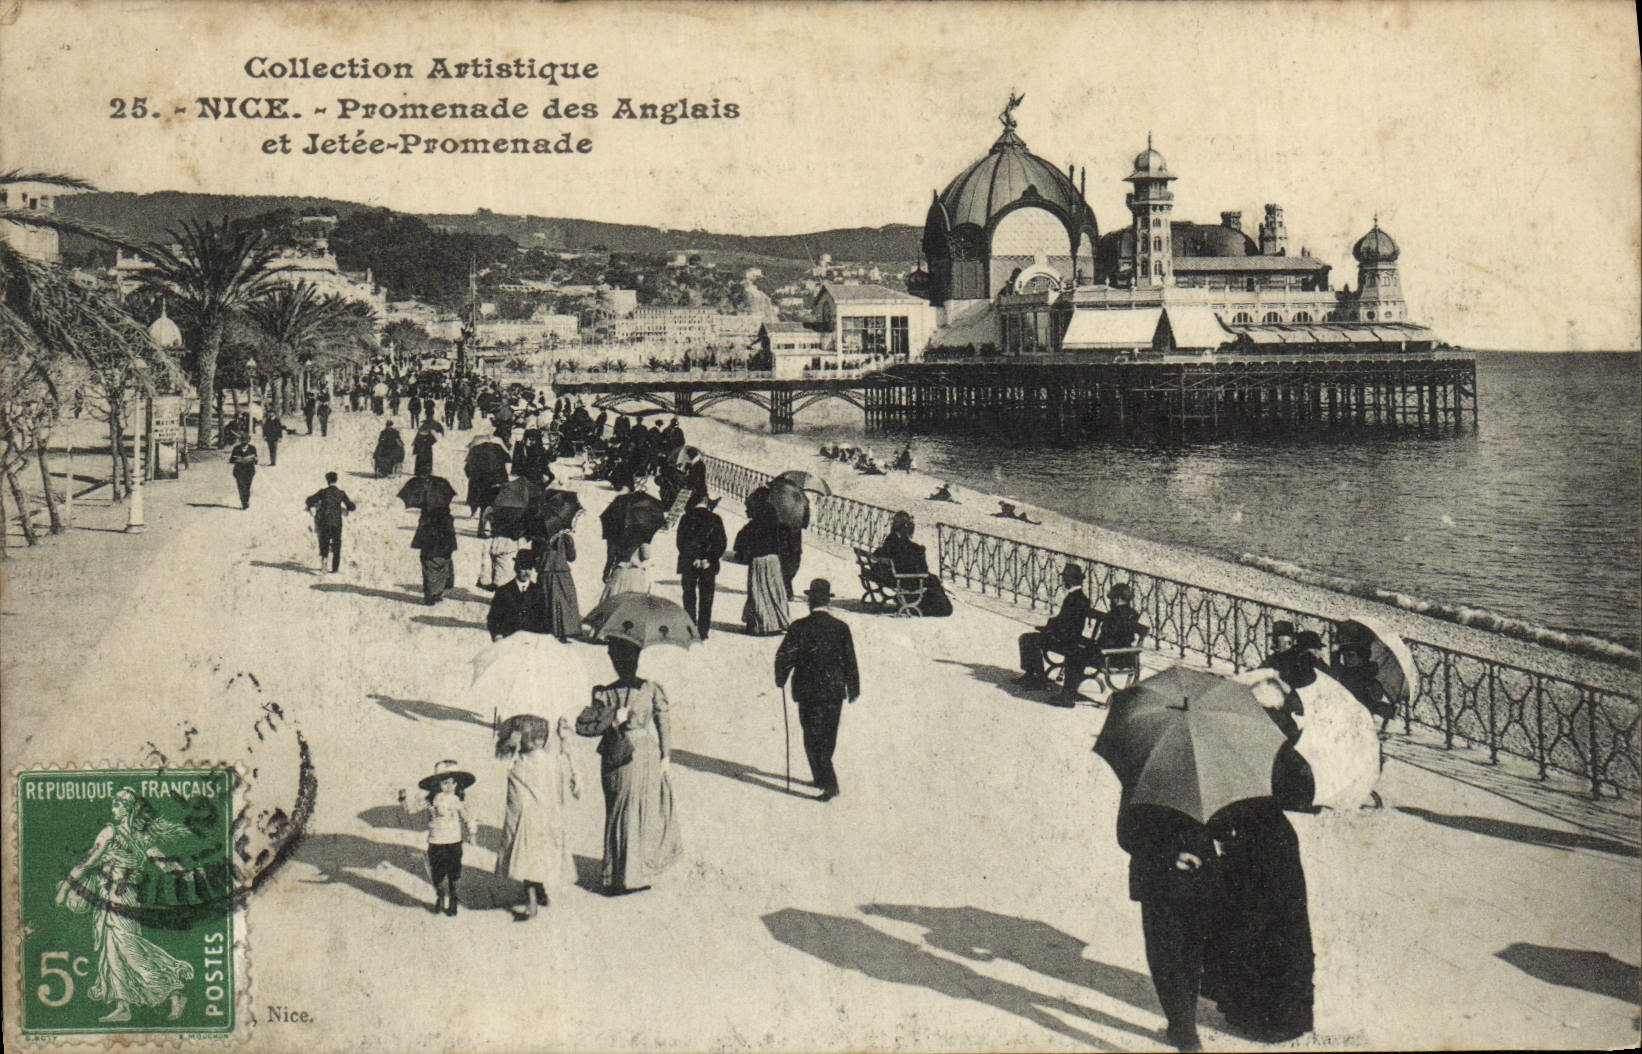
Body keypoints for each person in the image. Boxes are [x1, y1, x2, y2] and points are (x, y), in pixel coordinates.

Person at [54, 789, 203, 1022]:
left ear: (127, 809)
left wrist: (189, 876)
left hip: (124, 900)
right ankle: (123, 1007)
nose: (112, 810)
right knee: (111, 951)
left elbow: (164, 864)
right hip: (107, 898)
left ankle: (174, 990)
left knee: (129, 950)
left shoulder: (123, 835)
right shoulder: (116, 834)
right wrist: (65, 889)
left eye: (116, 805)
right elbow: (87, 863)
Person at [1203, 798, 1315, 1043]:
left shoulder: (1231, 788)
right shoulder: (1258, 780)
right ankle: (1283, 1017)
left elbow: (1220, 824)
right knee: (1281, 932)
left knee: (1251, 933)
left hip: (1253, 856)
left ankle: (1258, 1016)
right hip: (1276, 845)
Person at [575, 638, 682, 894]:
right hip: (625, 757)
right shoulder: (608, 693)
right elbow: (584, 726)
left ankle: (628, 874)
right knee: (623, 812)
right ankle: (620, 876)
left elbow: (664, 723)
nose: (626, 664)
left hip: (639, 756)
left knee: (636, 813)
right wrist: (614, 718)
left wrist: (665, 757)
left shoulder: (643, 689)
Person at [1116, 796, 1219, 1052]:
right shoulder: (1204, 773)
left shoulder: (1147, 777)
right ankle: (1183, 1028)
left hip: (1162, 881)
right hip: (1189, 878)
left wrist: (1170, 854)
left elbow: (1126, 834)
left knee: (1171, 956)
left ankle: (1184, 1031)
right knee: (1185, 955)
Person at [775, 579, 861, 801]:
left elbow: (784, 656)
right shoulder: (841, 628)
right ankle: (821, 777)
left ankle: (829, 783)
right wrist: (853, 688)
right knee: (828, 736)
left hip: (808, 691)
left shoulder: (799, 627)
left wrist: (781, 678)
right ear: (828, 602)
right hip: (834, 691)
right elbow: (850, 660)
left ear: (810, 602)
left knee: (812, 736)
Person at [494, 713, 578, 919]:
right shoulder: (551, 761)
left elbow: (515, 800)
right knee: (541, 857)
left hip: (528, 821)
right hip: (548, 819)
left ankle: (532, 901)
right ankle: (541, 893)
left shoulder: (520, 765)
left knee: (527, 858)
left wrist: (510, 746)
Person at [398, 761, 475, 917]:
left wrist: (472, 832)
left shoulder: (457, 800)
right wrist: (403, 799)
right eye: (445, 783)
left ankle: (453, 900)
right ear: (437, 784)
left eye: (453, 783)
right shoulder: (431, 801)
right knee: (437, 873)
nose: (449, 786)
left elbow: (469, 817)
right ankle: (440, 896)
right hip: (436, 841)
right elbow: (411, 809)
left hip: (454, 841)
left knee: (454, 873)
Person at [1060, 582, 1144, 701]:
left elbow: (1108, 639)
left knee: (1074, 654)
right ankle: (1070, 692)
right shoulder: (1131, 614)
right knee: (1078, 651)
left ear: (1118, 598)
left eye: (1112, 599)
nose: (1110, 602)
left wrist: (1093, 646)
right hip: (1126, 657)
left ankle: (1067, 695)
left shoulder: (1114, 615)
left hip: (1110, 657)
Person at [1012, 563, 1092, 689]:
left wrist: (1050, 629)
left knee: (1029, 640)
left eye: (1065, 578)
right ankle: (1032, 674)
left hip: (1066, 640)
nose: (1063, 581)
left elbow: (1067, 623)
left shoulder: (1074, 598)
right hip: (1066, 636)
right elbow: (1064, 620)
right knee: (1028, 638)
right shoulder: (1077, 597)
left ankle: (1038, 678)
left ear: (1070, 580)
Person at [872, 511, 952, 617]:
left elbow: (879, 553)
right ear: (905, 528)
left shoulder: (891, 539)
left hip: (889, 576)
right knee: (933, 580)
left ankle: (921, 603)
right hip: (903, 579)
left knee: (932, 579)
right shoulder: (908, 547)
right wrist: (920, 551)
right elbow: (921, 569)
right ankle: (939, 609)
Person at [676, 494, 726, 640]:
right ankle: (703, 631)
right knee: (707, 596)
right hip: (708, 565)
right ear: (706, 502)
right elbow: (721, 543)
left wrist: (693, 558)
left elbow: (680, 542)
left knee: (689, 594)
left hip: (688, 562)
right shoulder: (716, 519)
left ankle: (690, 627)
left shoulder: (685, 518)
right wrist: (709, 559)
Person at [736, 505, 789, 636]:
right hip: (773, 561)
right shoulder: (777, 525)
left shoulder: (751, 526)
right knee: (774, 591)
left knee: (758, 592)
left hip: (758, 561)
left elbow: (739, 543)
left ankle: (762, 624)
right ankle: (777, 622)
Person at [535, 513, 581, 642]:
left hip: (545, 572)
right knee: (565, 602)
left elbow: (535, 558)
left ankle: (549, 630)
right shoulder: (565, 537)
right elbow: (572, 557)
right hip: (562, 572)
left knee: (547, 601)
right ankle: (565, 632)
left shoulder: (538, 536)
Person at [487, 552, 549, 640]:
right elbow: (493, 618)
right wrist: (497, 635)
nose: (526, 572)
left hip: (532, 641)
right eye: (523, 568)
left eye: (529, 568)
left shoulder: (538, 591)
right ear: (516, 568)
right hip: (509, 640)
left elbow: (545, 618)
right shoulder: (503, 591)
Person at [304, 471, 356, 574]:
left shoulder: (323, 492)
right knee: (337, 543)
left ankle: (324, 559)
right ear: (336, 480)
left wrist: (314, 505)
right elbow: (351, 506)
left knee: (325, 541)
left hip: (324, 521)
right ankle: (335, 568)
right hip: (336, 522)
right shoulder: (341, 493)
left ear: (327, 481)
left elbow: (309, 500)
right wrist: (346, 508)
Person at [411, 500, 458, 605]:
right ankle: (438, 593)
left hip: (428, 547)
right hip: (444, 548)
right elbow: (451, 534)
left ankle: (430, 594)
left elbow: (420, 534)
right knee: (442, 568)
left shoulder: (425, 517)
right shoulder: (447, 517)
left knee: (428, 569)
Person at [229, 434, 258, 509]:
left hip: (249, 470)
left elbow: (256, 460)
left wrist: (253, 459)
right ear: (240, 441)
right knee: (241, 486)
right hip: (239, 470)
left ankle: (246, 501)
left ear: (249, 441)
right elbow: (231, 460)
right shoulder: (236, 448)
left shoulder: (252, 448)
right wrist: (238, 459)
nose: (244, 443)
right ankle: (243, 502)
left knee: (247, 486)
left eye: (246, 441)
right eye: (242, 441)